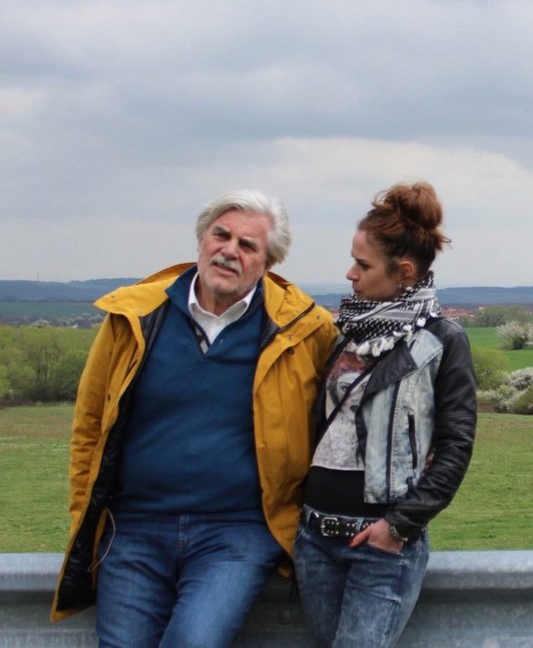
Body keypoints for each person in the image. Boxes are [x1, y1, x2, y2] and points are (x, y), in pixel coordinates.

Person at [51, 190, 337, 646]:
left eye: (248, 245)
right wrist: (84, 520)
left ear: (268, 262)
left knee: (193, 642)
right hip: (134, 529)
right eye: (220, 235)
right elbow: (89, 425)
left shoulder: (306, 329)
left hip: (237, 532)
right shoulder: (136, 316)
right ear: (201, 239)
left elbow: (336, 420)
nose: (229, 251)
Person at [294, 181, 477, 646]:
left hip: (381, 548)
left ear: (405, 273)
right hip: (314, 539)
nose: (350, 274)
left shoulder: (442, 341)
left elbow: (456, 446)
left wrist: (398, 527)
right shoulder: (344, 332)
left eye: (362, 264)